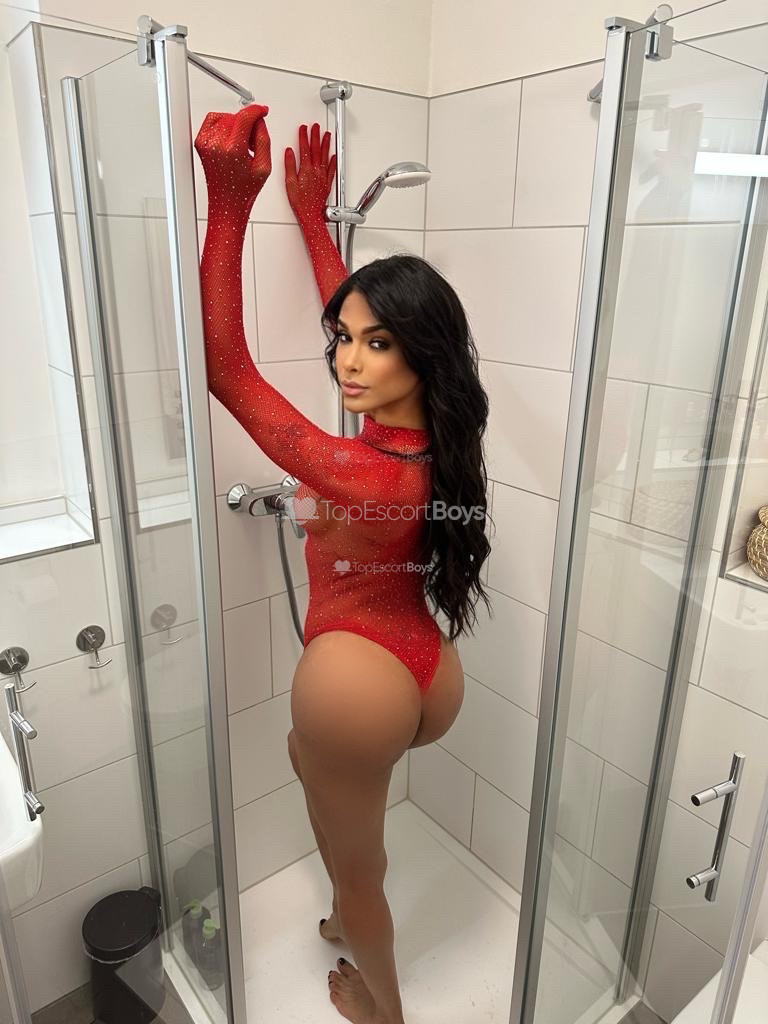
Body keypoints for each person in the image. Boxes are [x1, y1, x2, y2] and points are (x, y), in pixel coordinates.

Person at [194, 103, 492, 1024]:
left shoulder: (363, 472)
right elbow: (361, 320)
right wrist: (316, 224)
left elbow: (227, 371)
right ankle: (347, 907)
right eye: (345, 340)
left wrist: (230, 203)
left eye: (376, 344)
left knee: (359, 865)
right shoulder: (427, 435)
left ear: (421, 354)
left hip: (358, 679)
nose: (348, 363)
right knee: (312, 772)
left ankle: (384, 1007)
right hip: (423, 663)